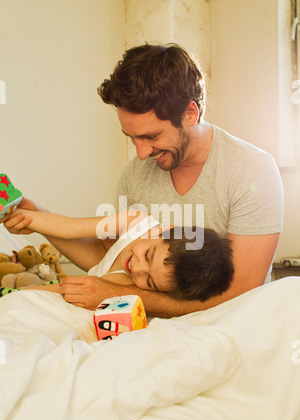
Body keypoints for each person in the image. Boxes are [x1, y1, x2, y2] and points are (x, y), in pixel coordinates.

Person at [4, 43, 283, 317]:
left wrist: (116, 295)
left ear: (189, 114)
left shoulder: (251, 171)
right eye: (132, 138)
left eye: (151, 136)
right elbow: (108, 258)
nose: (141, 153)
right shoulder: (137, 173)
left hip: (221, 330)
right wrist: (38, 219)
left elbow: (240, 294)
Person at [1, 208, 234, 304]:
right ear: (164, 230)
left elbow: (63, 289)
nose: (138, 269)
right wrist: (27, 216)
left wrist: (13, 295)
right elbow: (70, 227)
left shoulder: (130, 285)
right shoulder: (137, 220)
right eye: (149, 255)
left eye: (150, 281)